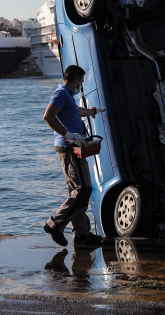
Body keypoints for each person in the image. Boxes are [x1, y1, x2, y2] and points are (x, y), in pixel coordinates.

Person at [42, 65, 104, 247]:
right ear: (76, 81)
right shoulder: (61, 93)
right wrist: (67, 134)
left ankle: (82, 234)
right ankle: (54, 224)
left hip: (75, 146)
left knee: (77, 191)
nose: (81, 86)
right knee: (83, 189)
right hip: (69, 147)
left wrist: (92, 112)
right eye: (81, 82)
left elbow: (76, 111)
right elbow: (48, 116)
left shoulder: (67, 96)